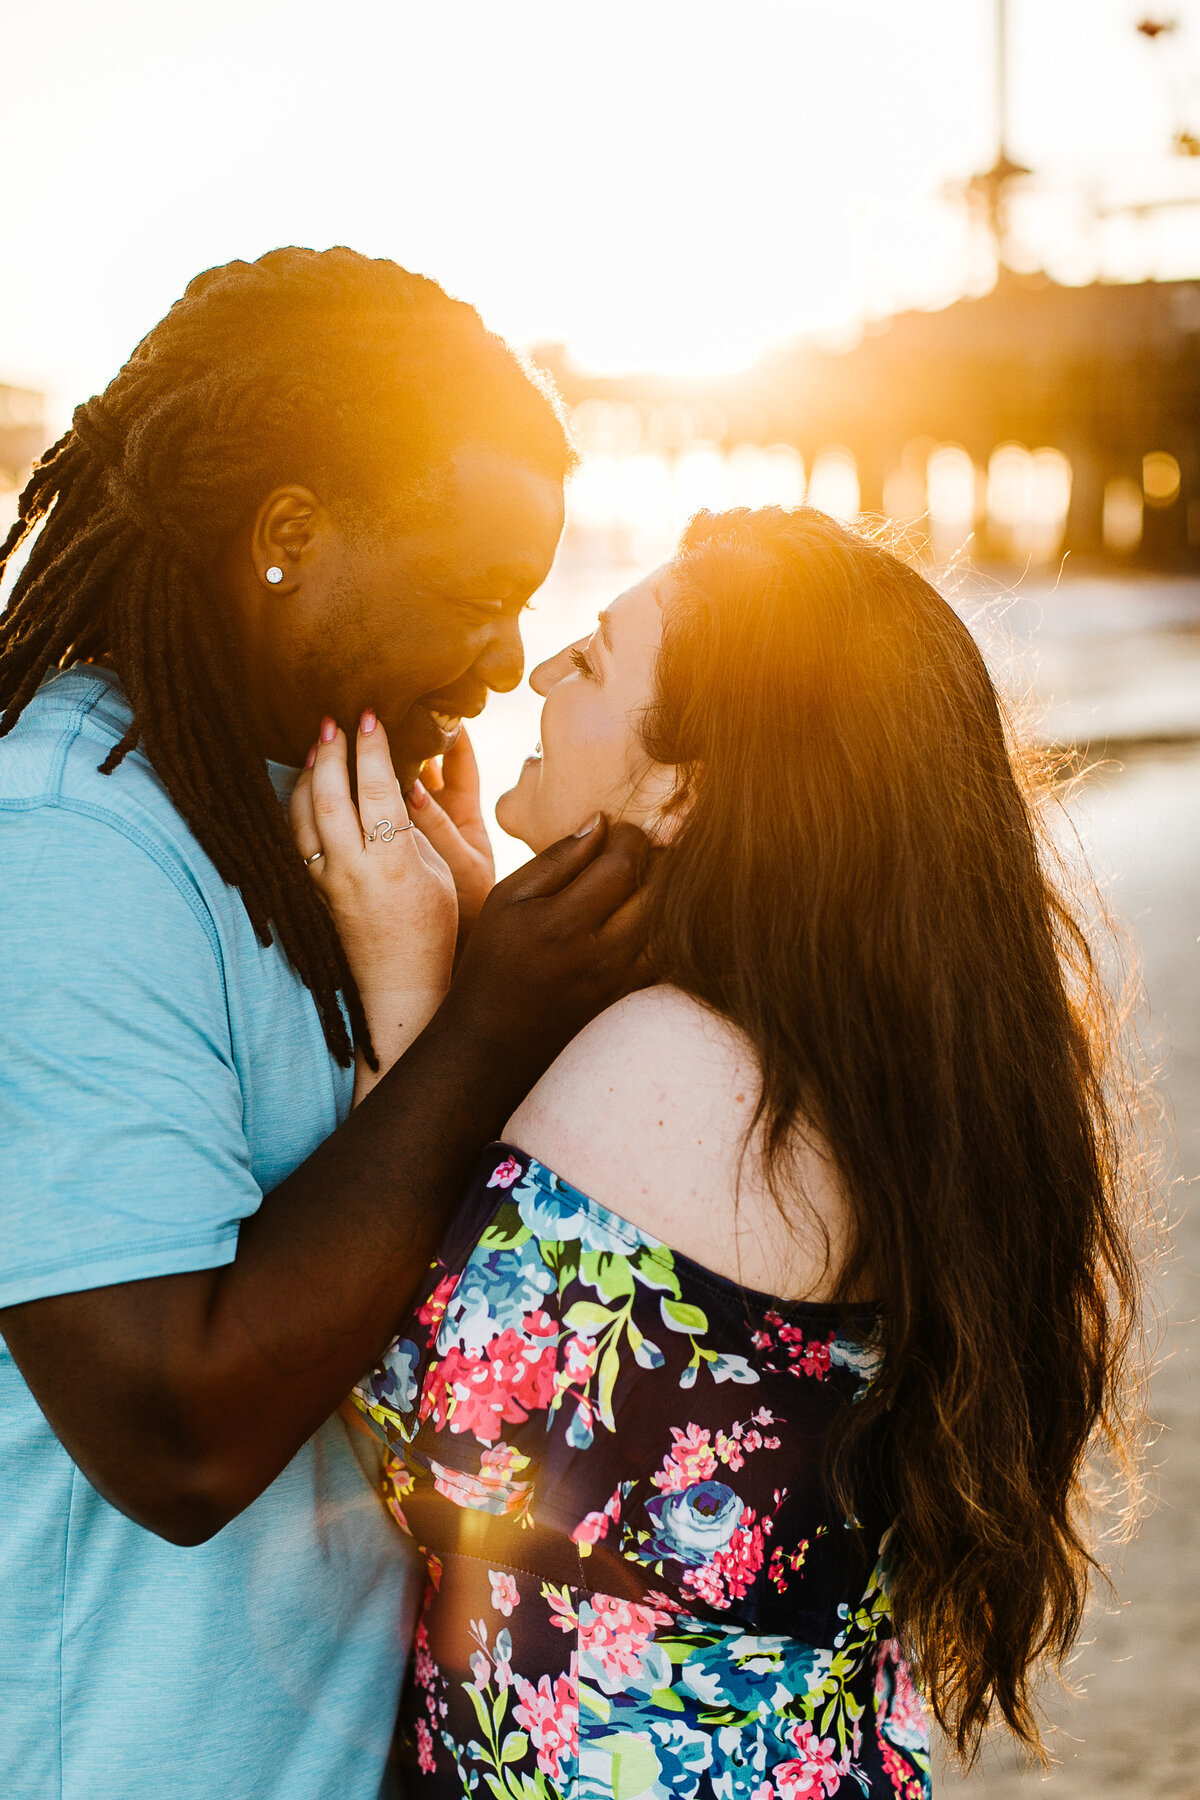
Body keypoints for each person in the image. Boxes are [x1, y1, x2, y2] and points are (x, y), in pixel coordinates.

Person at [303, 506, 1148, 1798]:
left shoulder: (681, 1060)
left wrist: (413, 993)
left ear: (685, 784)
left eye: (588, 661)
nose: (535, 675)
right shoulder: (838, 1049)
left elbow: (422, 1446)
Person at [0, 247, 650, 1800]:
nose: (504, 662)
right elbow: (177, 1434)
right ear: (288, 535)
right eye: (474, 599)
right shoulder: (67, 848)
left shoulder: (330, 816)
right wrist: (489, 1022)